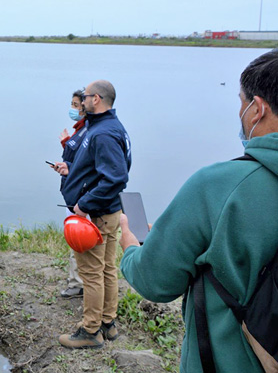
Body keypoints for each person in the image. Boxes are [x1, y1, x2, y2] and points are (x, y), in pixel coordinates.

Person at [119, 50, 278, 372]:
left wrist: (130, 247)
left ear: (256, 109)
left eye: (241, 102)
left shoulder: (220, 186)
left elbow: (156, 282)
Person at [52, 80, 131, 349]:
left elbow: (116, 178)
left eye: (84, 97)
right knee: (107, 269)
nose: (81, 101)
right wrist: (71, 168)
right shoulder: (105, 127)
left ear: (96, 99)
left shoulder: (104, 133)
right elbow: (97, 168)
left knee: (93, 274)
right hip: (107, 211)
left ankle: (90, 331)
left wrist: (84, 205)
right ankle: (108, 323)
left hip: (96, 215)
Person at [55, 89, 87, 298]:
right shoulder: (80, 130)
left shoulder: (89, 131)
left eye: (76, 105)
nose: (72, 109)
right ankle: (78, 282)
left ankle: (78, 284)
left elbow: (84, 165)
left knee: (80, 241)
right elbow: (76, 162)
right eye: (72, 104)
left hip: (81, 198)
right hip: (74, 195)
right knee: (76, 241)